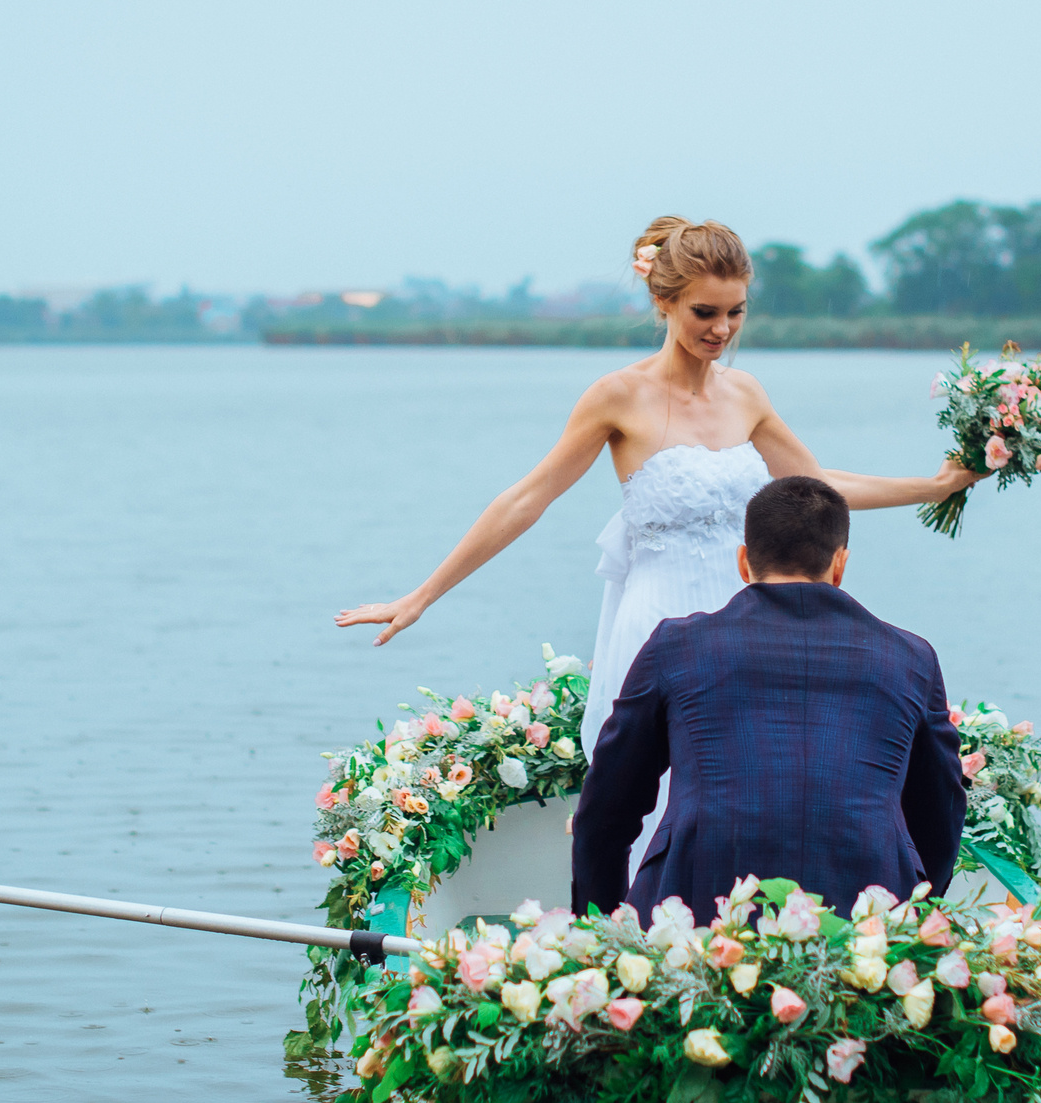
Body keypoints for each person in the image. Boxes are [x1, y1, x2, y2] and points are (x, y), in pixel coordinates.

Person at [334, 216, 979, 871]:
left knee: (746, 788)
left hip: (742, 619)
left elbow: (817, 485)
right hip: (656, 622)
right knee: (655, 797)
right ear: (662, 299)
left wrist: (931, 487)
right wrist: (422, 594)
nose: (721, 331)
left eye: (736, 313)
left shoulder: (746, 393)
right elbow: (528, 497)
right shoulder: (619, 395)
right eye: (704, 311)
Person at [568, 475, 967, 918]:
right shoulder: (910, 658)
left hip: (697, 905)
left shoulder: (676, 646)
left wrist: (599, 929)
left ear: (743, 561)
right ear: (840, 564)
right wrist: (915, 914)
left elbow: (606, 813)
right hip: (868, 910)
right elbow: (941, 812)